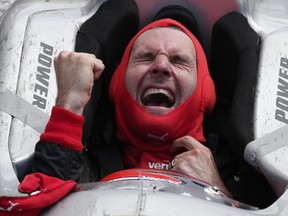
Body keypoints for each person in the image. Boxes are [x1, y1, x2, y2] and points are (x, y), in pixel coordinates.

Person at [31, 18, 231, 197]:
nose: (161, 66)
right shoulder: (81, 165)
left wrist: (217, 189)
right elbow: (38, 206)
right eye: (146, 57)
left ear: (206, 92)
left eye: (178, 61)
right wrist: (69, 103)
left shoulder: (240, 180)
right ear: (117, 84)